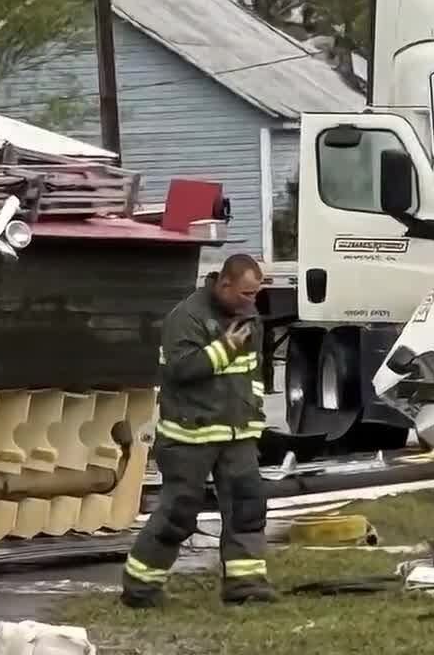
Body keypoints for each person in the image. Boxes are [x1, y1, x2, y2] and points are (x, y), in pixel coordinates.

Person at [120, 253, 276, 608]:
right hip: (190, 438)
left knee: (247, 508)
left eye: (255, 294)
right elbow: (182, 369)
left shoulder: (248, 316)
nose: (252, 302)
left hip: (238, 436)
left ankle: (245, 584)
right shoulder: (186, 317)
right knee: (178, 514)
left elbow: (252, 374)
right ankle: (141, 588)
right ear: (224, 284)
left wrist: (253, 417)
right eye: (246, 294)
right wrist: (224, 349)